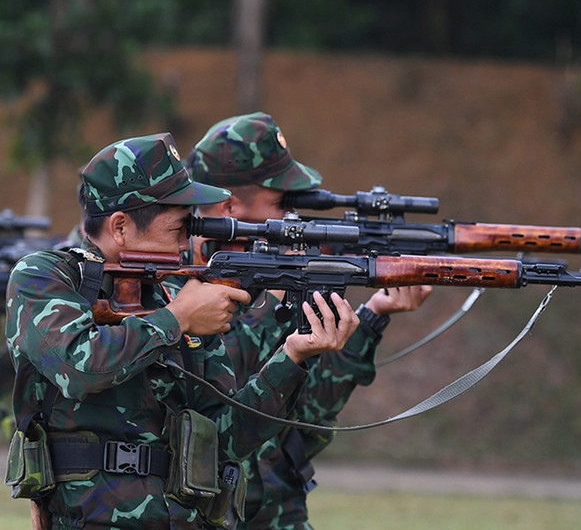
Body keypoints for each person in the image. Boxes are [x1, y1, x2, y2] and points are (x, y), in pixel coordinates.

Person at [4, 132, 359, 529]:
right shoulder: (44, 276)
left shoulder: (176, 293)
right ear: (120, 226)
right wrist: (176, 319)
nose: (189, 237)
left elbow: (226, 439)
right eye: (178, 227)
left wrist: (293, 357)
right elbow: (79, 368)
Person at [187, 112, 432, 529]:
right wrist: (277, 302)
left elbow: (311, 410)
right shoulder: (175, 279)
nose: (294, 212)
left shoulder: (269, 262)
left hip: (276, 507)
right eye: (284, 201)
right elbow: (222, 387)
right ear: (230, 205)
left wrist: (373, 317)